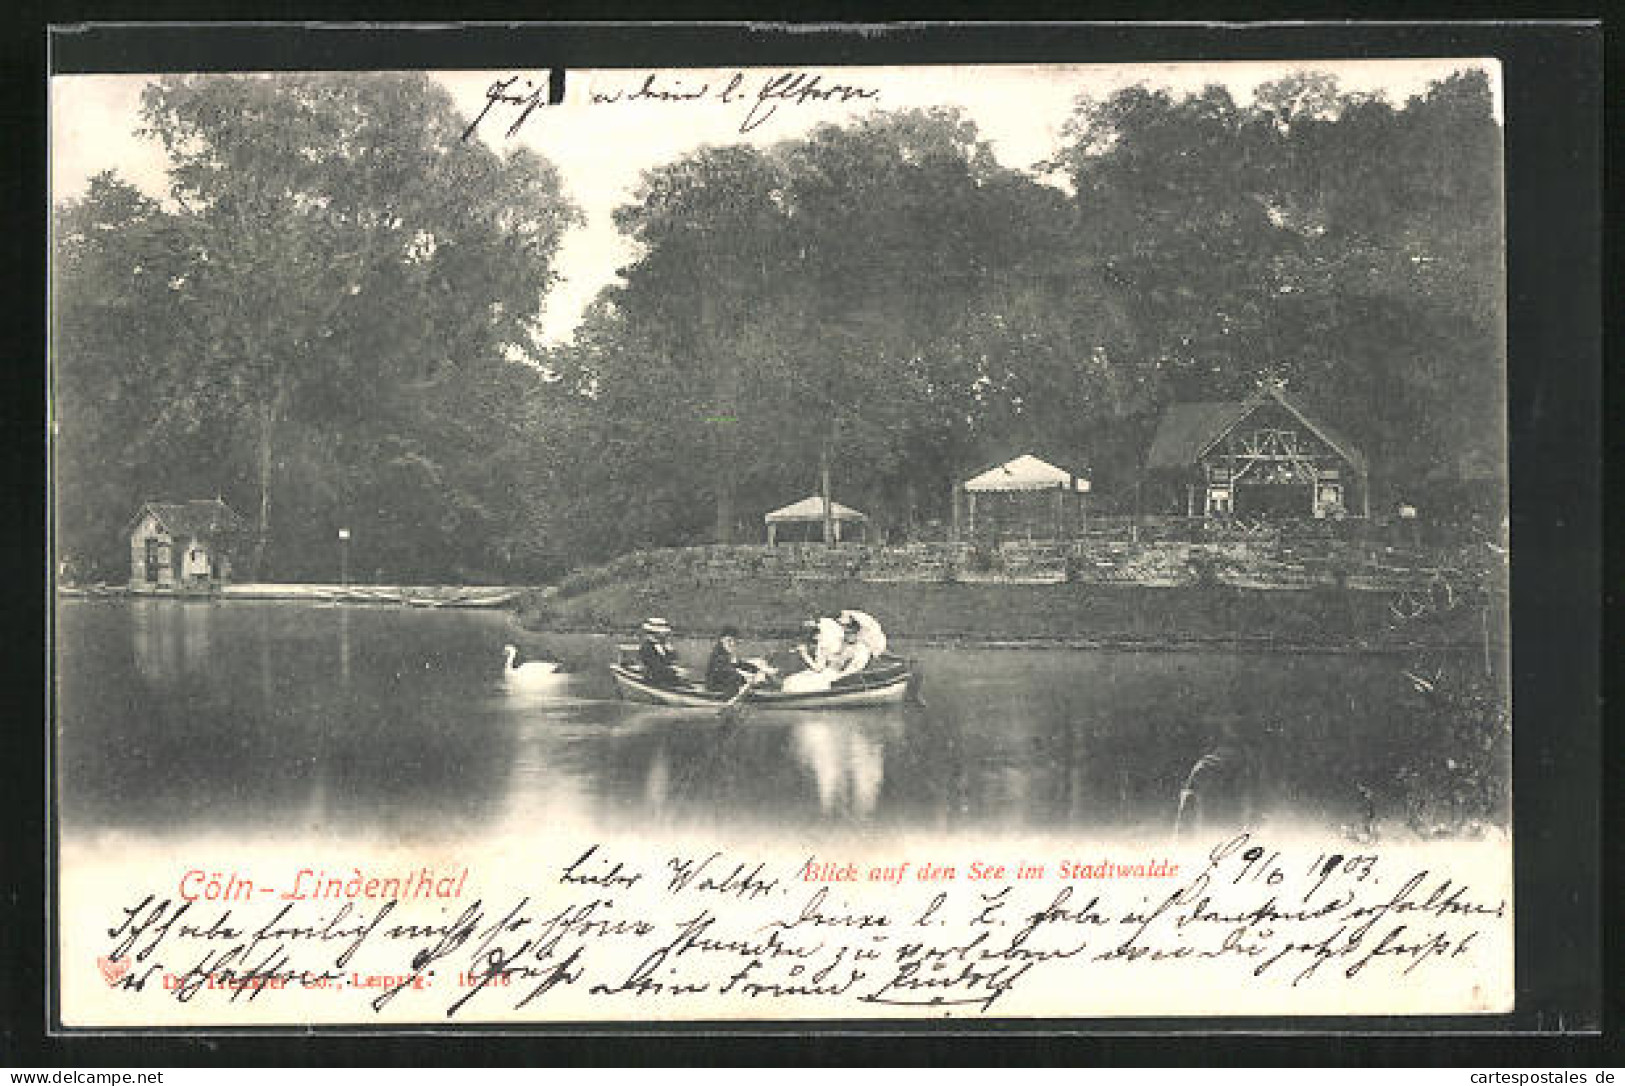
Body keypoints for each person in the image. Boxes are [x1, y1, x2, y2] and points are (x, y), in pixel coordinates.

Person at [705, 626, 773, 694]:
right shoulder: (718, 654)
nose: (732, 644)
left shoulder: (726, 652)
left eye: (734, 641)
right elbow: (725, 669)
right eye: (729, 641)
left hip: (725, 683)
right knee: (741, 679)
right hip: (715, 686)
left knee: (748, 678)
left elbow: (740, 664)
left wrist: (758, 670)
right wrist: (744, 675)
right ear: (721, 640)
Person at [637, 617, 683, 688]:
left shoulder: (665, 646)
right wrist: (674, 671)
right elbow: (655, 667)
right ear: (654, 633)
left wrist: (671, 652)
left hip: (667, 677)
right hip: (654, 679)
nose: (666, 635)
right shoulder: (647, 647)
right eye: (664, 633)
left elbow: (674, 660)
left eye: (666, 633)